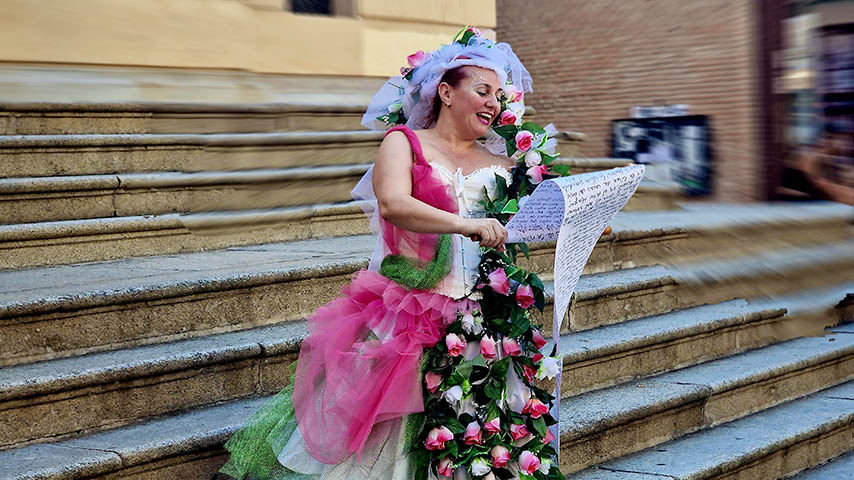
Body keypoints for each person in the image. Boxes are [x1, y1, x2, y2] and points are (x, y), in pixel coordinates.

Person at [220, 27, 564, 480]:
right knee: (386, 437)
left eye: (500, 95)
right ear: (445, 92)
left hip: (482, 319)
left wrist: (579, 218)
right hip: (409, 308)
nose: (494, 103)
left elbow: (531, 221)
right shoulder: (404, 142)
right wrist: (465, 223)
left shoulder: (505, 165)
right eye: (482, 91)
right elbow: (395, 205)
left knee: (478, 429)